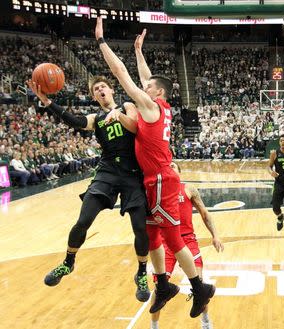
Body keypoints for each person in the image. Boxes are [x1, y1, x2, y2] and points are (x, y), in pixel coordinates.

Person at [95, 19, 215, 318]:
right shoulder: (162, 106)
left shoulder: (150, 106)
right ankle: (163, 284)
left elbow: (120, 74)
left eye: (147, 87)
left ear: (156, 94)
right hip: (154, 179)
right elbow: (149, 77)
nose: (143, 87)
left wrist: (101, 42)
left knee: (173, 240)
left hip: (162, 179)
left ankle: (200, 288)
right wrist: (138, 50)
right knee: (151, 235)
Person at [26, 77, 151, 302]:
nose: (100, 90)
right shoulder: (97, 118)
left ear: (111, 90)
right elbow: (75, 121)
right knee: (83, 221)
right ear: (94, 96)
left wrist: (119, 116)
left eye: (103, 87)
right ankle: (68, 263)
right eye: (96, 89)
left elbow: (134, 126)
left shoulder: (127, 106)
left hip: (133, 172)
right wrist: (46, 101)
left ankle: (141, 273)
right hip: (107, 171)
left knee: (140, 228)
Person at [150, 162, 224, 329]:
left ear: (179, 173)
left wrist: (215, 236)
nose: (170, 168)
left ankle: (205, 321)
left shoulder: (189, 189)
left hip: (187, 239)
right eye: (168, 166)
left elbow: (205, 213)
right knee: (159, 288)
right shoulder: (158, 191)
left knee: (199, 283)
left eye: (174, 166)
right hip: (165, 242)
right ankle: (154, 326)